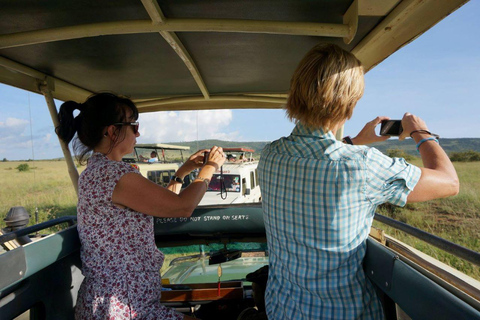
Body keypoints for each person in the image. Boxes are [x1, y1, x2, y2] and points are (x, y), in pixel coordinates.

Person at [257, 44, 459, 320]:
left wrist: (356, 140)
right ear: (349, 104)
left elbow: (317, 157)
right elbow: (449, 182)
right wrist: (420, 132)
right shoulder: (362, 164)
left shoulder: (270, 155)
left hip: (282, 310)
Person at [56, 92, 225, 320]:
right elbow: (182, 207)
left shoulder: (99, 172)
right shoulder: (113, 175)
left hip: (121, 301)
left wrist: (182, 172)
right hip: (122, 305)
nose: (138, 132)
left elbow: (163, 205)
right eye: (133, 126)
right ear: (112, 131)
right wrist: (211, 167)